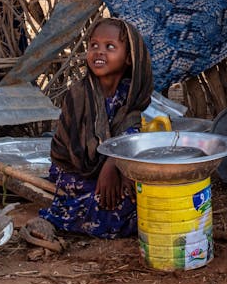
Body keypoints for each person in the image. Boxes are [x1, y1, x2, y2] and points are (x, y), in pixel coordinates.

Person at [39, 18, 153, 238]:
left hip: (114, 165)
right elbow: (75, 152)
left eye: (110, 47)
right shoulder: (79, 95)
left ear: (129, 57)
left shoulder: (130, 94)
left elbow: (131, 134)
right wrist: (108, 167)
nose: (99, 52)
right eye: (94, 46)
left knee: (139, 191)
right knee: (109, 205)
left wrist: (114, 164)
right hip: (76, 171)